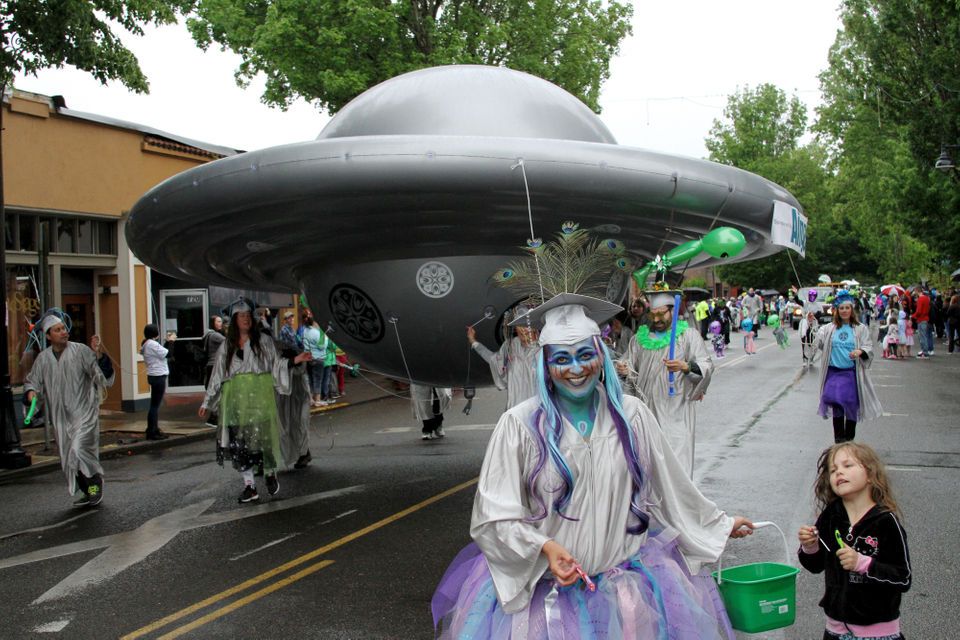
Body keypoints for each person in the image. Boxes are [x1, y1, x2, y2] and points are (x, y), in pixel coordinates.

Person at [432, 293, 754, 639]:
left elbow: (673, 487)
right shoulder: (520, 426)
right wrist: (544, 548)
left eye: (586, 355)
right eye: (562, 359)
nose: (576, 369)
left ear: (600, 357)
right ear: (546, 364)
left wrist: (718, 525)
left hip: (626, 594)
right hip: (549, 602)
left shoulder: (632, 417)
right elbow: (493, 518)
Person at [198, 297, 311, 503]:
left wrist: (296, 359)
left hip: (260, 398)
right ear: (234, 320)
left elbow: (277, 364)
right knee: (239, 445)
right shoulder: (227, 345)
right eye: (241, 316)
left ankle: (269, 474)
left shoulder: (264, 342)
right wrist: (207, 402)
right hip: (235, 399)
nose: (245, 319)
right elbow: (217, 374)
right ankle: (250, 486)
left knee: (263, 440)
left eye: (248, 315)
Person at [798, 442, 911, 640]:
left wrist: (862, 563)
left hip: (879, 633)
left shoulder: (885, 521)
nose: (839, 472)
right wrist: (810, 546)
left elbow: (903, 578)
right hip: (835, 630)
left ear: (870, 474)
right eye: (833, 470)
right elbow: (815, 565)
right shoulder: (830, 517)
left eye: (847, 466)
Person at [616, 288, 714, 476]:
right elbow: (630, 369)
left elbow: (706, 365)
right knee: (649, 466)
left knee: (677, 467)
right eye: (653, 315)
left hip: (675, 412)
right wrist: (625, 370)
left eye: (662, 314)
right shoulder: (639, 340)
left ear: (673, 311)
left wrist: (686, 367)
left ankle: (679, 505)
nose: (657, 319)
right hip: (647, 412)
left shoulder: (688, 336)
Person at [24, 309, 115, 507]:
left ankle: (94, 488)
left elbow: (99, 375)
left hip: (84, 414)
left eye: (64, 328)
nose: (63, 332)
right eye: (57, 330)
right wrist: (31, 393)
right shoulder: (43, 359)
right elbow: (33, 382)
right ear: (48, 336)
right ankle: (86, 491)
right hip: (61, 418)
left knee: (79, 450)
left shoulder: (81, 351)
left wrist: (98, 354)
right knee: (68, 459)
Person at [814, 290, 882, 443]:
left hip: (850, 373)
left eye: (847, 308)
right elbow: (817, 344)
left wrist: (860, 351)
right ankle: (838, 440)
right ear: (837, 310)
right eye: (841, 308)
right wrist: (811, 323)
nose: (844, 311)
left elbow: (868, 347)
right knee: (835, 401)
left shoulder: (860, 328)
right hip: (832, 372)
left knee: (850, 404)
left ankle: (849, 438)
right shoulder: (829, 329)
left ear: (852, 309)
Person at [466, 304, 540, 410]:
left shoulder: (545, 347)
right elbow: (494, 360)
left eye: (526, 326)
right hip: (515, 410)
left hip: (539, 414)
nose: (524, 331)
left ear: (534, 327)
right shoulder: (511, 346)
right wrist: (473, 342)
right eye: (520, 326)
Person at [273, 312, 312, 470]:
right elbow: (277, 370)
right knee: (286, 427)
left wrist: (296, 361)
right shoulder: (278, 348)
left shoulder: (293, 340)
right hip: (285, 397)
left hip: (298, 395)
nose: (291, 320)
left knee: (300, 424)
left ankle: (304, 453)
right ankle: (300, 454)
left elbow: (298, 370)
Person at [140, 323, 170, 441]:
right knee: (155, 406)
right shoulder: (152, 344)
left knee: (154, 404)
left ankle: (153, 428)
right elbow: (169, 353)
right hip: (158, 376)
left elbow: (162, 352)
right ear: (155, 333)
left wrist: (167, 342)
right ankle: (152, 432)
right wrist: (171, 341)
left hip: (153, 375)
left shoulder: (147, 344)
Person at [202, 316, 226, 427]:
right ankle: (213, 417)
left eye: (221, 321)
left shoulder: (208, 335)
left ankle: (214, 416)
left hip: (210, 365)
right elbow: (229, 342)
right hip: (215, 365)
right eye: (219, 321)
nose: (221, 323)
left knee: (216, 391)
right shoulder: (215, 335)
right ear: (213, 323)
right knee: (219, 391)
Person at [911, 287, 931, 358]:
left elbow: (919, 311)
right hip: (925, 318)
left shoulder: (920, 299)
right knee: (924, 336)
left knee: (922, 337)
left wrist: (913, 316)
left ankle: (925, 352)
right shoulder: (926, 298)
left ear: (917, 291)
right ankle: (924, 351)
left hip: (921, 319)